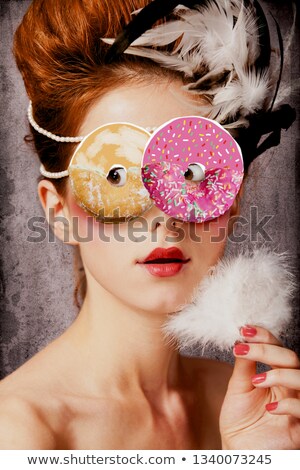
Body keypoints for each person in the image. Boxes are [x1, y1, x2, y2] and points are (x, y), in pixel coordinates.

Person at [0, 0, 299, 450]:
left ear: (233, 199)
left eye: (193, 173)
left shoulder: (257, 407)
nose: (165, 220)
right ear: (57, 212)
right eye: (116, 176)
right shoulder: (20, 434)